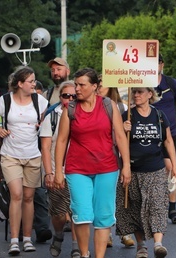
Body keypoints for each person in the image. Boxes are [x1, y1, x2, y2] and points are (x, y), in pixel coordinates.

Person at [53, 68, 131, 258]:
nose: (77, 89)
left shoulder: (108, 105)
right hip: (77, 169)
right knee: (82, 214)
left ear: (94, 87)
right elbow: (62, 141)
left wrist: (127, 166)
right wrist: (58, 171)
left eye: (82, 85)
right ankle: (85, 253)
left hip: (107, 168)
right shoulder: (70, 109)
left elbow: (120, 137)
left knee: (103, 216)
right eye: (76, 84)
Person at [0, 66, 48, 255]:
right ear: (20, 84)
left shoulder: (40, 101)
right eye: (30, 81)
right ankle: (14, 240)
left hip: (32, 155)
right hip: (10, 155)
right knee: (16, 195)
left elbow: (46, 122)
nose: (34, 84)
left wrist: (41, 123)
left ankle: (27, 239)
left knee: (29, 198)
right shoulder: (5, 101)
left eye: (34, 80)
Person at [115, 87, 176, 258]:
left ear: (150, 94)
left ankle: (158, 244)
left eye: (140, 92)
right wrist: (122, 129)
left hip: (156, 169)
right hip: (133, 170)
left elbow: (168, 140)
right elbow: (116, 141)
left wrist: (174, 166)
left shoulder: (159, 115)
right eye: (134, 92)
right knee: (135, 208)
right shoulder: (128, 115)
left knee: (157, 205)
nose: (136, 95)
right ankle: (141, 246)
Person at [41, 80, 79, 257]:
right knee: (59, 215)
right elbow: (46, 148)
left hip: (79, 171)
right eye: (66, 95)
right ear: (60, 97)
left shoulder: (84, 114)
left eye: (74, 95)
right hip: (58, 171)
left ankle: (76, 246)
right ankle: (57, 235)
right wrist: (49, 173)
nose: (70, 99)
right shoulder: (52, 116)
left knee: (78, 212)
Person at [96, 77, 133, 248]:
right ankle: (107, 232)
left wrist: (126, 128)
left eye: (103, 85)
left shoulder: (121, 107)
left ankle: (124, 231)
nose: (99, 88)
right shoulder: (94, 105)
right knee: (105, 198)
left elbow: (124, 136)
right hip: (100, 156)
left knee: (120, 196)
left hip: (115, 155)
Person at [154, 53, 176, 224]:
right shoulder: (142, 85)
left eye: (158, 62)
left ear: (162, 64)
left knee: (171, 167)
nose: (155, 65)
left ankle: (172, 208)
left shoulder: (171, 84)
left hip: (171, 134)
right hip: (150, 134)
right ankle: (155, 205)